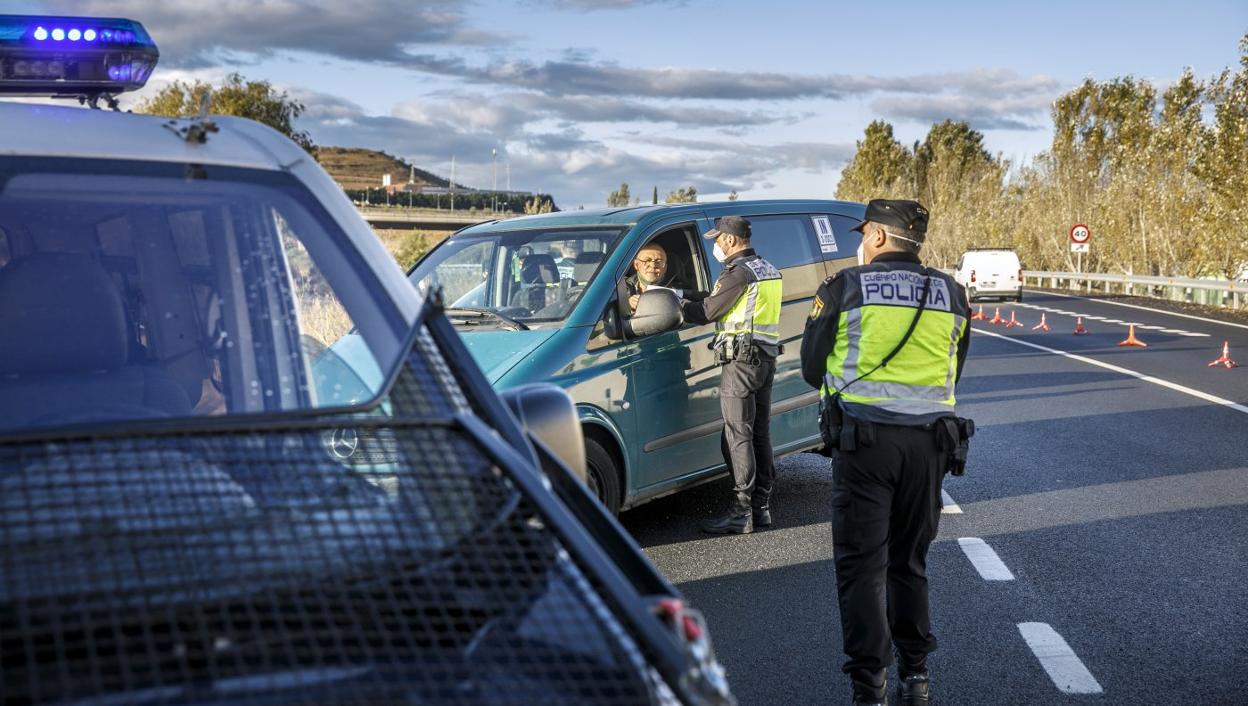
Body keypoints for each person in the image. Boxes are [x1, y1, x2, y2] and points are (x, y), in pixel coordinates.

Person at [800, 199, 970, 706]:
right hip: (930, 446)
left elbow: (813, 367)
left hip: (865, 445)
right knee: (909, 561)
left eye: (861, 235)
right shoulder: (953, 293)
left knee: (861, 565)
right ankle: (915, 674)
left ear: (876, 236)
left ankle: (868, 682)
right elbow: (953, 370)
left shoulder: (844, 287)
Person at [681, 215, 782, 534]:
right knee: (759, 433)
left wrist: (677, 304)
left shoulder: (738, 274)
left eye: (716, 240)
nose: (714, 245)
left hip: (741, 362)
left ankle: (741, 513)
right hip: (764, 359)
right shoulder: (768, 269)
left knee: (737, 436)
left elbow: (708, 312)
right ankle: (761, 507)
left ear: (729, 240)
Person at [625, 241, 684, 313]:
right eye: (647, 260)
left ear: (665, 268)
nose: (653, 266)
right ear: (636, 265)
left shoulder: (675, 293)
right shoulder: (620, 288)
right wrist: (625, 306)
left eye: (659, 262)